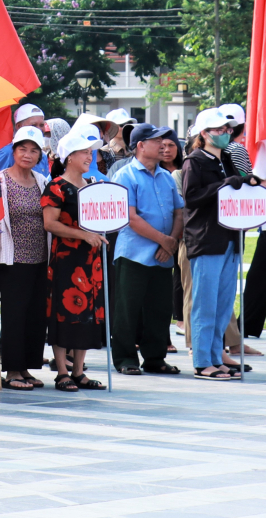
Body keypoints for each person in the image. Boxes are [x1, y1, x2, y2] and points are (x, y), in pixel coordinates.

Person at [111, 123, 183, 376]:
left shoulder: (165, 176)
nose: (163, 145)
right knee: (127, 309)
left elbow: (178, 212)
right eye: (156, 141)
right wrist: (164, 240)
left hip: (163, 253)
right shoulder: (125, 176)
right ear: (140, 146)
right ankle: (125, 358)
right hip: (134, 253)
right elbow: (130, 217)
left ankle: (155, 357)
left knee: (160, 308)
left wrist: (171, 240)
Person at [180, 109, 243, 381]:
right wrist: (224, 185)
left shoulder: (227, 158)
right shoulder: (194, 161)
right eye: (219, 130)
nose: (225, 133)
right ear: (204, 134)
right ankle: (202, 360)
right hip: (206, 238)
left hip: (230, 237)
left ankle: (216, 355)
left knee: (223, 303)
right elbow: (192, 197)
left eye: (228, 129)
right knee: (205, 303)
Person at [41, 130, 107, 391]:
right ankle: (61, 372)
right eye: (84, 152)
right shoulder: (56, 186)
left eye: (91, 152)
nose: (89, 157)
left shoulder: (91, 185)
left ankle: (79, 371)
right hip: (67, 259)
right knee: (64, 311)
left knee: (87, 313)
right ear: (69, 157)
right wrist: (83, 235)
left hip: (91, 259)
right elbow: (49, 223)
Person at [0, 126, 52, 390]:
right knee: (14, 315)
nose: (27, 155)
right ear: (13, 150)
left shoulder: (43, 182)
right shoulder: (0, 181)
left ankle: (27, 367)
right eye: (22, 149)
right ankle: (12, 371)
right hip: (12, 258)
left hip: (40, 257)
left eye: (33, 150)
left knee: (34, 316)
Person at [0, 103, 48, 174]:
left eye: (42, 125)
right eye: (34, 125)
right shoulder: (6, 154)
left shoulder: (43, 156)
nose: (39, 129)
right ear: (19, 126)